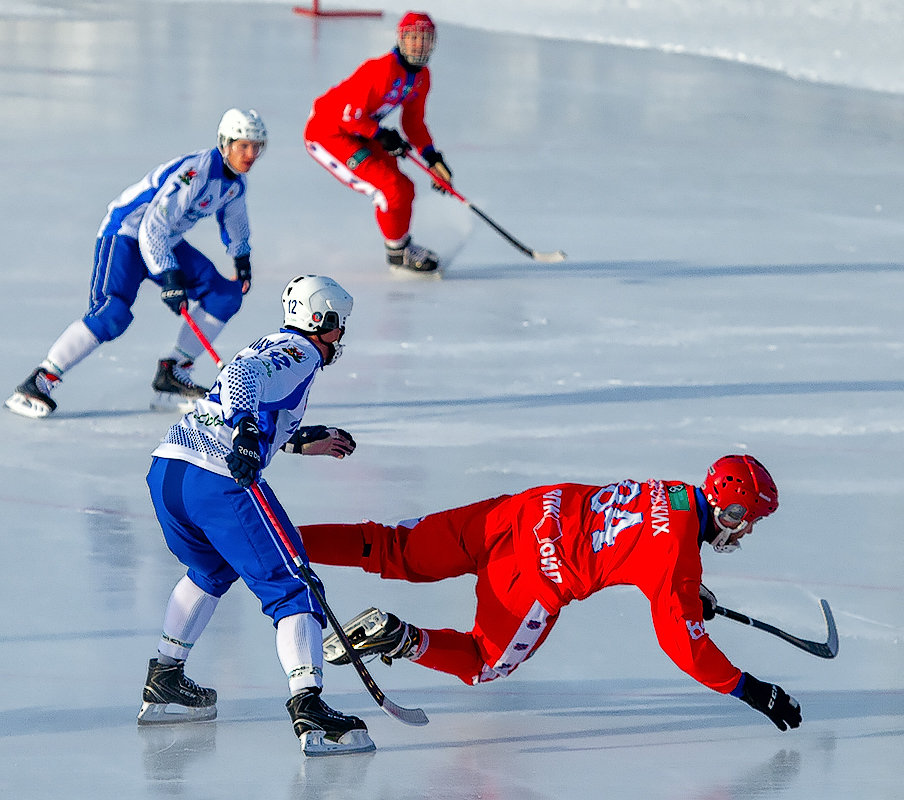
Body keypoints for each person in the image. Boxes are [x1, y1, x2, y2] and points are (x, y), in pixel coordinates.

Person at [299, 454, 805, 732]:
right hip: (538, 573)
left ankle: (279, 534)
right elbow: (684, 644)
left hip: (521, 513)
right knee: (483, 662)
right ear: (730, 512)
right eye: (749, 522)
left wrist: (692, 592)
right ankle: (399, 638)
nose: (747, 533)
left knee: (396, 546)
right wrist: (752, 690)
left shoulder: (675, 490)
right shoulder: (679, 557)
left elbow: (644, 540)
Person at [139, 274, 374, 758]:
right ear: (319, 321)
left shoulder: (279, 344)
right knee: (294, 587)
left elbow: (242, 396)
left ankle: (165, 676)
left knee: (210, 569)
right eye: (337, 326)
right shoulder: (300, 352)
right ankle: (309, 707)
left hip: (170, 470)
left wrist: (294, 439)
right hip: (215, 477)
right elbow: (244, 375)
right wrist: (247, 430)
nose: (340, 337)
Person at [6, 109, 268, 419]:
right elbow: (151, 226)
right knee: (112, 313)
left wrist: (242, 259)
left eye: (257, 146)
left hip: (166, 241)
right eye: (244, 146)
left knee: (226, 295)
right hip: (126, 236)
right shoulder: (196, 173)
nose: (251, 154)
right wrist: (169, 276)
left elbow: (235, 221)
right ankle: (39, 381)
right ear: (225, 143)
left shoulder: (234, 183)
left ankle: (172, 374)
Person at [303, 11, 453, 273]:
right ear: (401, 40)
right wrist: (382, 135)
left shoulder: (421, 77)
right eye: (413, 38)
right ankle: (398, 253)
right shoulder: (381, 70)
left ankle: (401, 247)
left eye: (425, 39)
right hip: (329, 133)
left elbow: (414, 124)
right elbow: (348, 116)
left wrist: (432, 158)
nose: (419, 45)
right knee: (389, 189)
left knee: (405, 188)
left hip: (361, 131)